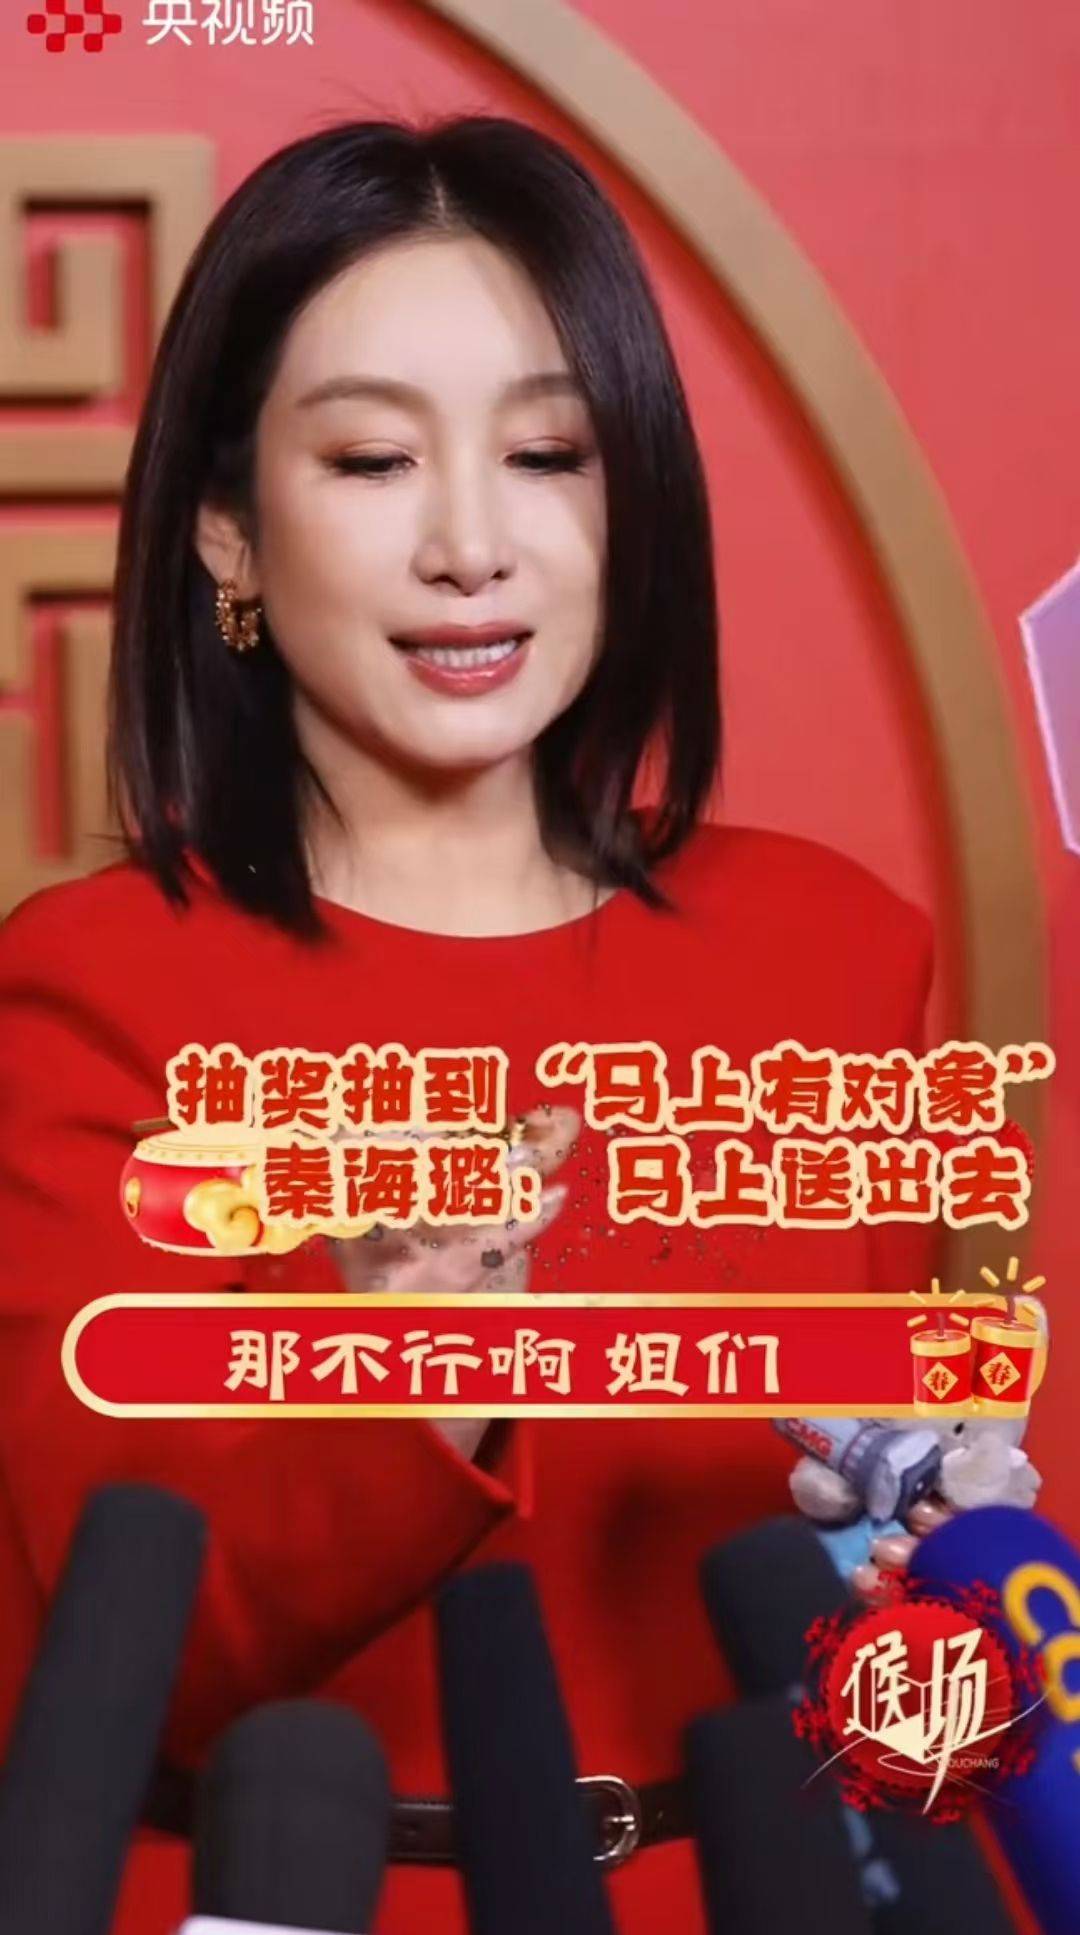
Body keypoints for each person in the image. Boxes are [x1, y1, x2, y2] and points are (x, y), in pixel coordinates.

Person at [0, 114, 949, 1934]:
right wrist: (395, 1350)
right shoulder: (94, 993)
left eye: (544, 454)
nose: (470, 547)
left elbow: (899, 1573)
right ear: (226, 528)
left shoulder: (833, 952)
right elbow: (127, 1656)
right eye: (371, 458)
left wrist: (950, 1560)